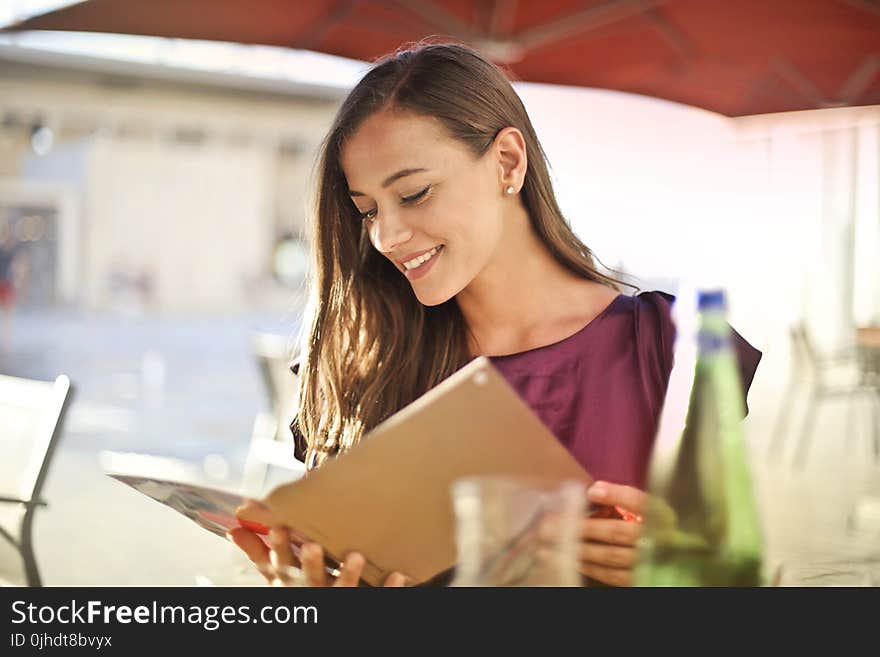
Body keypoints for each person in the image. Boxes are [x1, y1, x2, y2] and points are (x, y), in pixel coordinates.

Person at [228, 41, 761, 587]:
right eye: (367, 210)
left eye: (413, 193)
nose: (385, 236)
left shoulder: (671, 349)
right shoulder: (360, 363)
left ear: (507, 161)